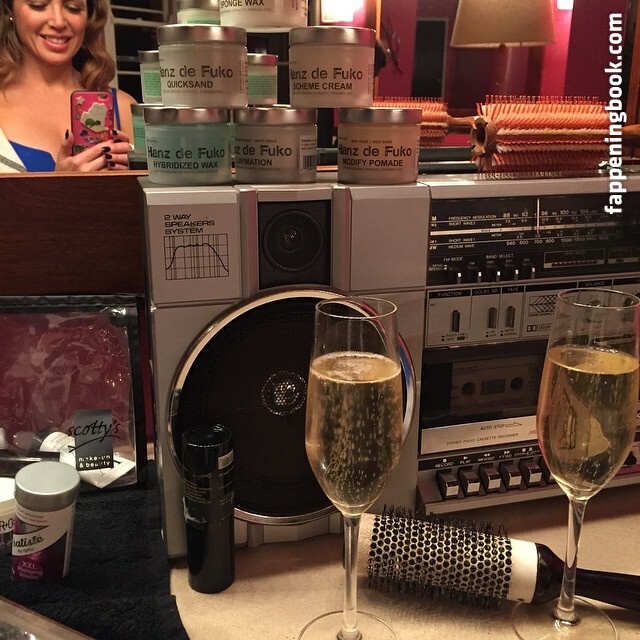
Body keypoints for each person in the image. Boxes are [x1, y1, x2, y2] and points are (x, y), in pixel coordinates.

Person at [0, 0, 136, 172]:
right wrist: (64, 185)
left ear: (88, 17)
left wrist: (128, 182)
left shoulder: (124, 109)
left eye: (73, 8)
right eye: (38, 5)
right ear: (10, 10)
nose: (58, 22)